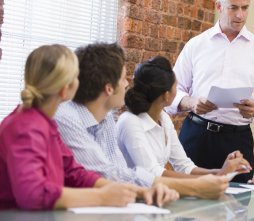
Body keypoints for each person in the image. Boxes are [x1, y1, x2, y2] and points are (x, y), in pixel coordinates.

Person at [0, 45, 175, 210]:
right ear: (65, 89)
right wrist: (101, 197)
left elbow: (75, 172)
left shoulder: (44, 122)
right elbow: (33, 194)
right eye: (76, 76)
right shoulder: (25, 127)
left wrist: (138, 191)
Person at [55, 42, 229, 199]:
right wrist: (194, 187)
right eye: (123, 78)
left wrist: (150, 189)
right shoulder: (66, 119)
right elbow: (105, 175)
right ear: (108, 88)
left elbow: (122, 173)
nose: (126, 84)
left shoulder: (106, 119)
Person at [166, 0, 254, 182]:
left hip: (238, 141)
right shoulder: (196, 45)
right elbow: (172, 91)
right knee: (186, 208)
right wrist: (192, 103)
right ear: (219, 6)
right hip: (197, 136)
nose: (240, 15)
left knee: (236, 209)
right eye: (233, 8)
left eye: (245, 8)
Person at [117, 56, 252, 179]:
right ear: (166, 95)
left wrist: (222, 171)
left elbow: (184, 166)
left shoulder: (163, 118)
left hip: (153, 194)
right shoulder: (130, 122)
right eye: (176, 86)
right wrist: (215, 178)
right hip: (128, 199)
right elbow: (153, 174)